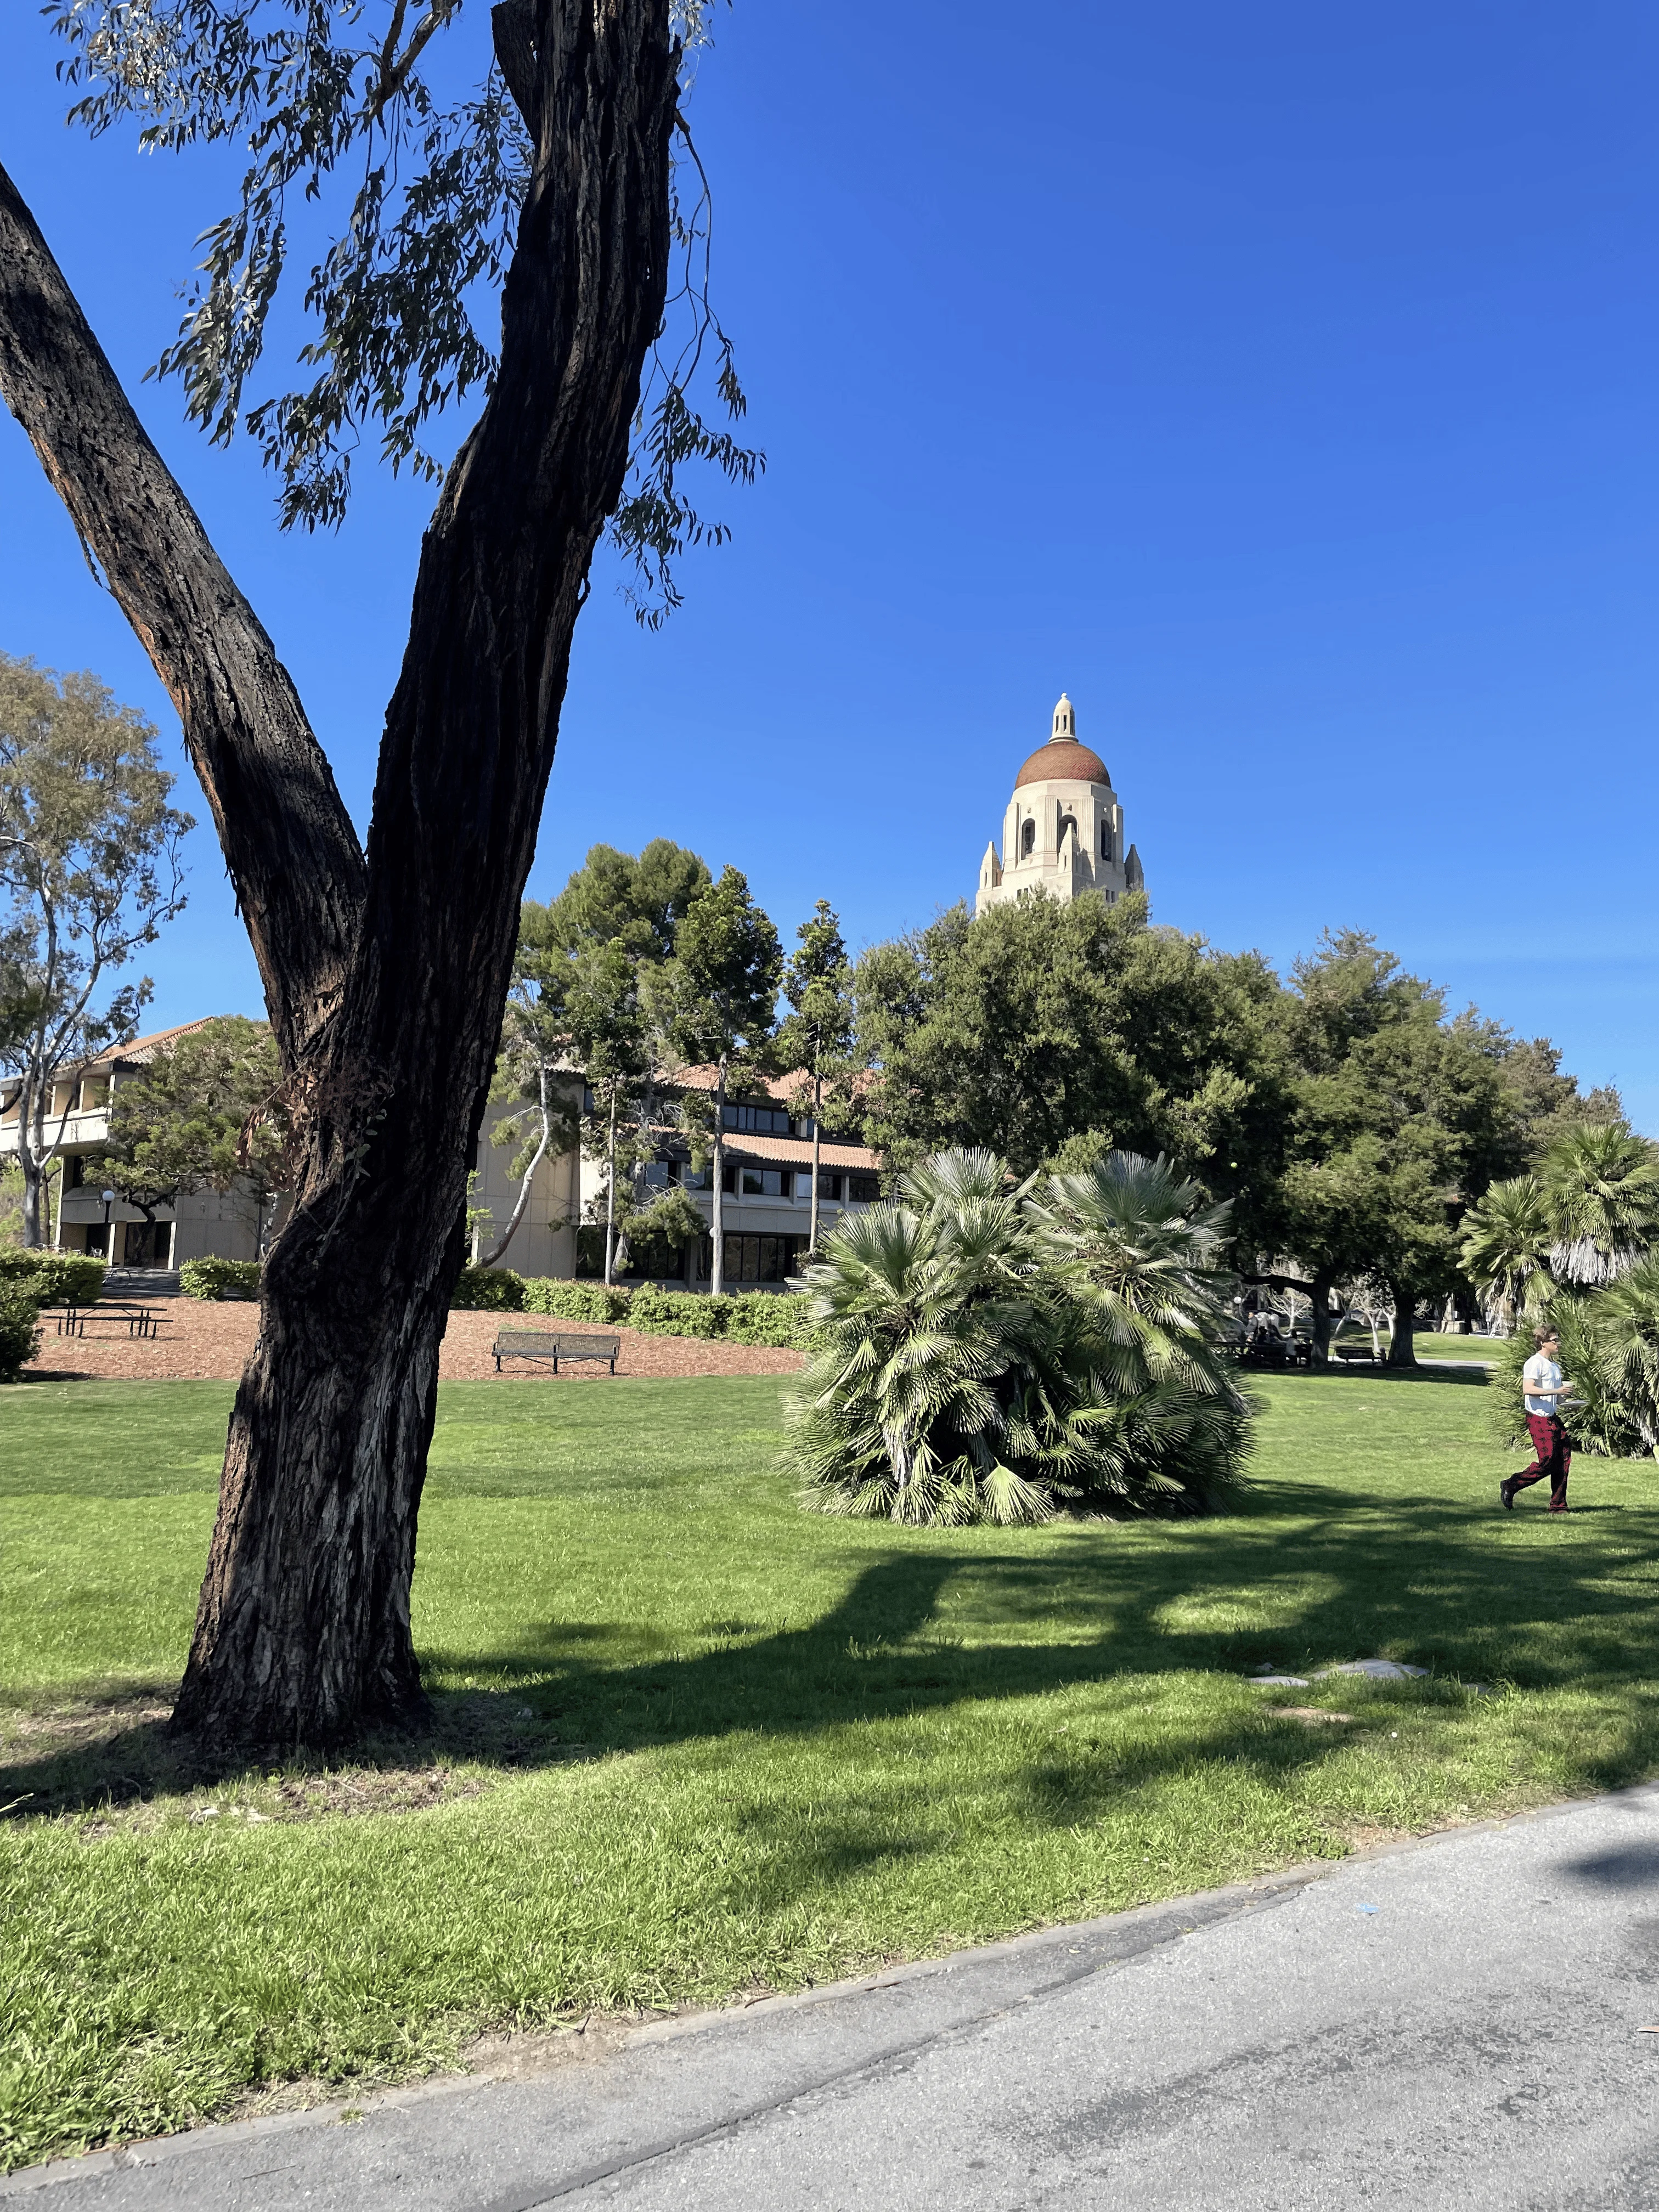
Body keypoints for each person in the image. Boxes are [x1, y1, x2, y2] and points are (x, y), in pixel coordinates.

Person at [1500, 1325, 1572, 1513]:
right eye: (1554, 1340)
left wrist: (1569, 1399)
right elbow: (1528, 1389)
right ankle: (1511, 1485)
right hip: (1538, 1419)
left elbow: (1557, 1398)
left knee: (1563, 1460)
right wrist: (1556, 1391)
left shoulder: (1555, 1367)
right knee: (1547, 1461)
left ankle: (1558, 1506)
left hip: (1552, 1418)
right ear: (1543, 1343)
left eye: (1558, 1340)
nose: (1558, 1343)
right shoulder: (1534, 1363)